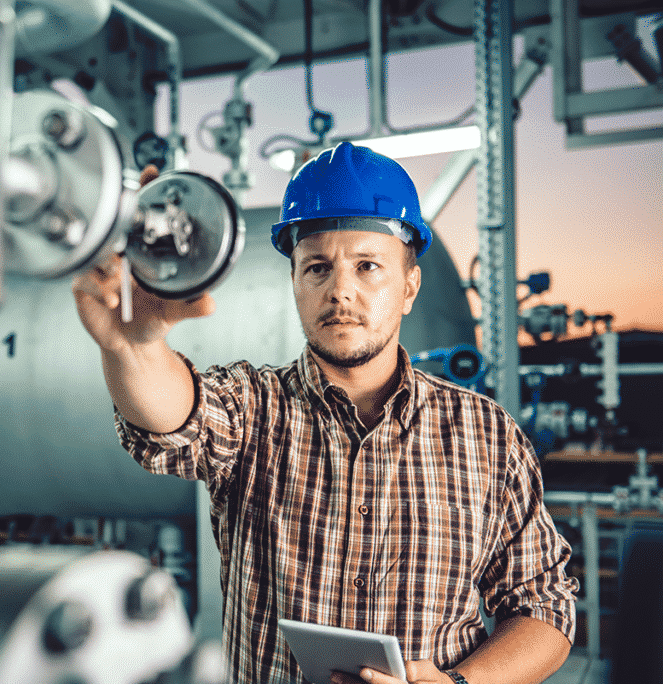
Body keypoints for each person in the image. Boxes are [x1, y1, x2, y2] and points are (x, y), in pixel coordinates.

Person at [72, 142, 578, 684]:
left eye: (368, 267)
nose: (340, 291)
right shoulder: (253, 410)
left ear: (409, 285)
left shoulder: (486, 436)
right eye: (317, 268)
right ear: (295, 282)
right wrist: (133, 348)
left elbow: (544, 606)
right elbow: (174, 419)